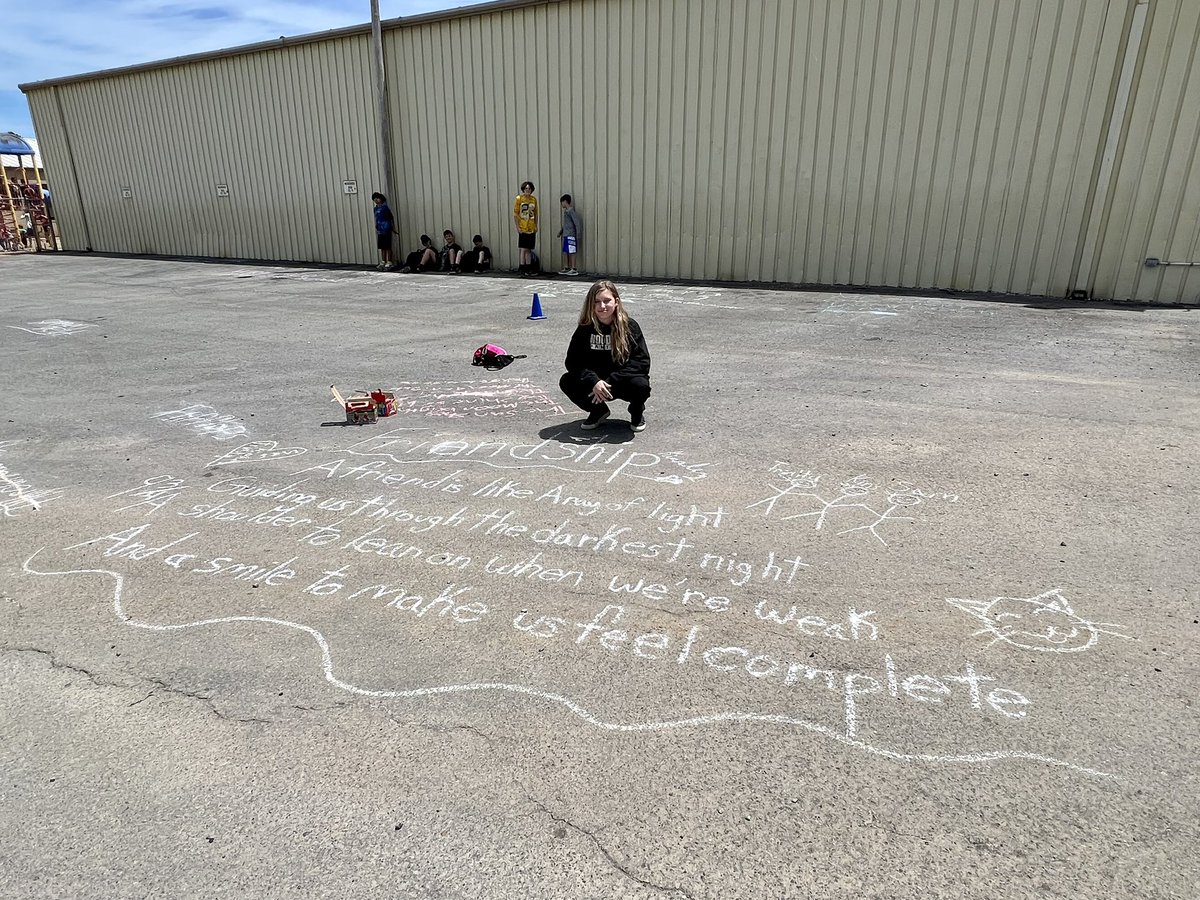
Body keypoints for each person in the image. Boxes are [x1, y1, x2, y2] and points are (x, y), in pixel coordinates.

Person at [560, 280, 651, 432]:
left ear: (616, 302)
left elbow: (641, 362)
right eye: (597, 302)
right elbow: (573, 362)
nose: (602, 306)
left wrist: (610, 381)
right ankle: (598, 411)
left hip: (621, 381)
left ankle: (637, 412)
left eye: (607, 301)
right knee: (567, 381)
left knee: (641, 385)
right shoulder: (585, 328)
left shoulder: (629, 326)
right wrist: (594, 381)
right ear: (591, 304)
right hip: (596, 384)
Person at [513, 180, 539, 275]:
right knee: (523, 248)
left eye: (529, 188)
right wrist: (518, 227)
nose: (528, 190)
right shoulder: (519, 199)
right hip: (523, 227)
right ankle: (522, 267)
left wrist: (536, 225)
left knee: (529, 249)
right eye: (526, 188)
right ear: (523, 189)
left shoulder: (534, 199)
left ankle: (529, 268)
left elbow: (536, 213)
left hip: (531, 227)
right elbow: (515, 214)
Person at [557, 193, 582, 275]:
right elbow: (566, 224)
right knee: (565, 251)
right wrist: (561, 232)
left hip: (571, 235)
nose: (561, 204)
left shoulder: (571, 211)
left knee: (572, 251)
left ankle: (574, 268)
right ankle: (566, 267)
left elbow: (577, 223)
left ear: (565, 201)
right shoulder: (566, 212)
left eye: (562, 202)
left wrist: (578, 234)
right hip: (565, 235)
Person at [370, 192, 396, 270]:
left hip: (386, 229)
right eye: (374, 199)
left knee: (387, 246)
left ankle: (389, 261)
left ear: (381, 199)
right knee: (382, 247)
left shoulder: (385, 208)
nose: (376, 200)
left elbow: (391, 217)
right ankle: (383, 260)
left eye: (377, 198)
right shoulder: (375, 209)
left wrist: (393, 227)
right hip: (380, 230)